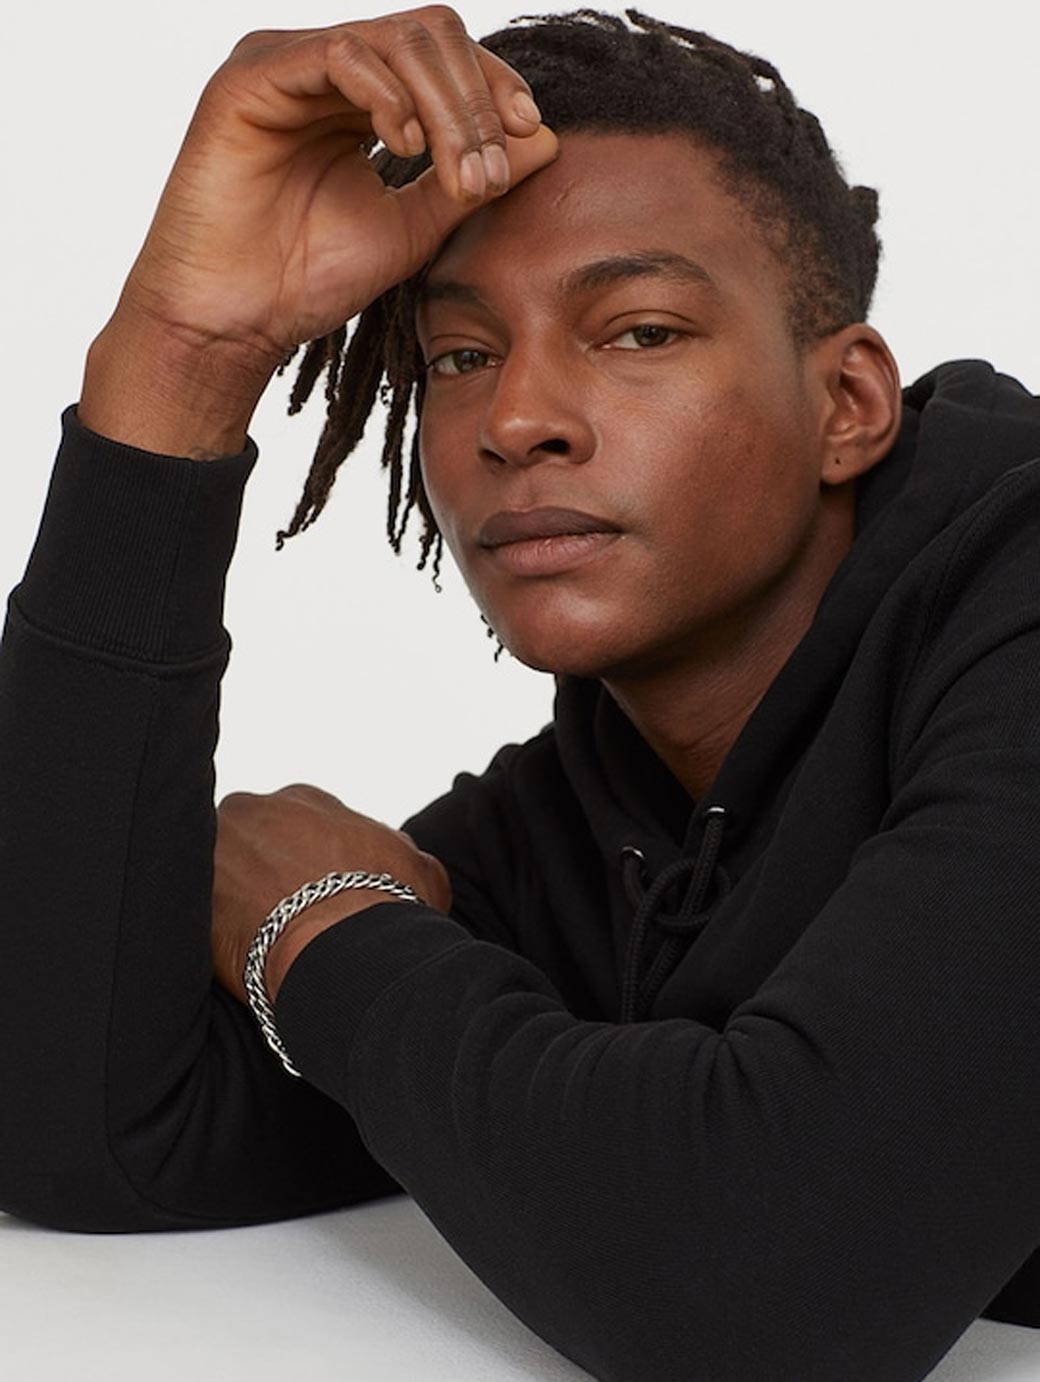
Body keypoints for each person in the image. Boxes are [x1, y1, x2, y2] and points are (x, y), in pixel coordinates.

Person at [1, 6, 1038, 1379]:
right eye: (461, 355)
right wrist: (180, 362)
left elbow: (768, 1283)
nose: (515, 418)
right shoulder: (590, 815)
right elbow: (85, 1132)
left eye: (639, 331)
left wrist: (324, 923)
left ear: (847, 404)